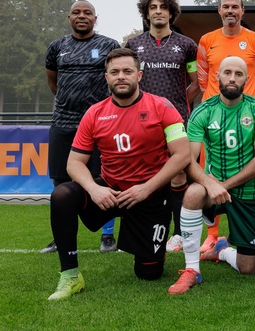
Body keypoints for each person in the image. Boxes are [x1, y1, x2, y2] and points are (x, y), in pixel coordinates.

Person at [47, 48, 191, 300]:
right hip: (111, 191)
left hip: (150, 194)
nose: (120, 76)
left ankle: (151, 245)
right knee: (62, 195)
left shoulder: (162, 106)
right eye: (114, 72)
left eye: (127, 71)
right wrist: (94, 188)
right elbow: (74, 163)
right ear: (106, 77)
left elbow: (182, 155)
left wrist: (146, 187)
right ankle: (70, 276)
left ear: (139, 75)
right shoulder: (95, 113)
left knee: (148, 273)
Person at [168, 56, 255, 294]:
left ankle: (222, 250)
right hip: (211, 187)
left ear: (247, 79)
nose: (232, 78)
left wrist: (223, 185)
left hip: (247, 190)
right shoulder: (202, 111)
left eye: (238, 74)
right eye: (227, 73)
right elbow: (188, 159)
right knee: (193, 193)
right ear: (218, 76)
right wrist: (210, 184)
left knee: (249, 269)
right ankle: (192, 270)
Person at [42, 0, 120, 255]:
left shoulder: (108, 45)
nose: (82, 16)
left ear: (96, 18)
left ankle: (107, 236)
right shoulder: (57, 47)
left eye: (87, 13)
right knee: (60, 180)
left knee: (104, 178)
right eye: (77, 12)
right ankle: (61, 237)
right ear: (69, 18)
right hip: (63, 122)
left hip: (100, 124)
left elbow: (118, 75)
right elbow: (53, 82)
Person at [125, 0, 200, 252]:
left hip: (176, 120)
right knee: (144, 173)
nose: (158, 11)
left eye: (163, 7)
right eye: (153, 7)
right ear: (146, 13)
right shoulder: (133, 45)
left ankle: (179, 233)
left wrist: (175, 105)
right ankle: (145, 230)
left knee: (178, 175)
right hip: (140, 121)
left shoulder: (187, 45)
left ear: (171, 12)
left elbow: (195, 83)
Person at [196, 0, 255, 254]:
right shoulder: (206, 40)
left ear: (242, 11)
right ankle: (212, 234)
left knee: (250, 168)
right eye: (225, 6)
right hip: (215, 113)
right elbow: (204, 80)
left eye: (235, 7)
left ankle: (242, 230)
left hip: (246, 114)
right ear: (219, 10)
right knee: (209, 170)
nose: (230, 11)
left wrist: (250, 104)